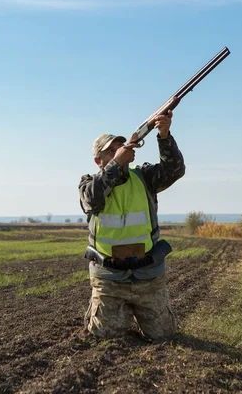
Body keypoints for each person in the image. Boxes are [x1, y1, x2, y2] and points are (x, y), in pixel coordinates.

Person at [78, 110, 185, 341]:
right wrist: (117, 163)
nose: (119, 152)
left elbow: (175, 170)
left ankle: (134, 312)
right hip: (109, 278)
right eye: (111, 151)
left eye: (120, 147)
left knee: (163, 335)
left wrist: (164, 135)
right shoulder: (88, 184)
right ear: (99, 161)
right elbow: (93, 199)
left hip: (148, 275)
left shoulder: (144, 177)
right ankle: (109, 311)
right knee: (102, 336)